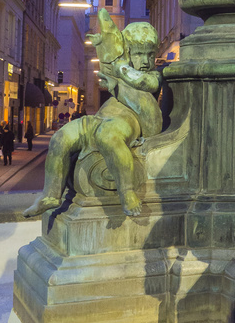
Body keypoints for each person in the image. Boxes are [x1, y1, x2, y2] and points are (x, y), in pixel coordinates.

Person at [24, 14, 163, 219]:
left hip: (124, 122)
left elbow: (145, 86)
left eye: (150, 55)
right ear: (127, 52)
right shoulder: (119, 71)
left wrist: (120, 70)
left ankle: (127, 192)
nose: (145, 61)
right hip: (96, 119)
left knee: (109, 137)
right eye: (138, 54)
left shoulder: (152, 76)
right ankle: (51, 194)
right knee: (60, 138)